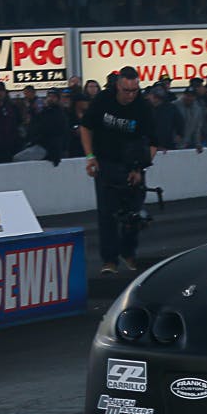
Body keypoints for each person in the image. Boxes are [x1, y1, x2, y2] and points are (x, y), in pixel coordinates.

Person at [80, 66, 158, 275]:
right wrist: (90, 157)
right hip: (106, 162)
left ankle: (128, 252)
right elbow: (86, 126)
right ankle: (109, 260)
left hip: (133, 164)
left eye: (134, 90)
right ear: (117, 86)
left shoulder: (143, 107)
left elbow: (154, 142)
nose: (130, 95)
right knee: (107, 214)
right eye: (126, 90)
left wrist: (140, 168)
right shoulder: (103, 99)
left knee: (133, 215)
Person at [14, 88, 69, 165]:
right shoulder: (43, 112)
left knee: (18, 158)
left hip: (47, 148)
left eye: (53, 97)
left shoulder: (60, 115)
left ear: (58, 99)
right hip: (40, 145)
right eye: (49, 96)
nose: (50, 99)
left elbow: (52, 133)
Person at [174, 86, 205, 151]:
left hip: (188, 145)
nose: (189, 98)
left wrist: (197, 143)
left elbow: (197, 128)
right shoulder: (174, 106)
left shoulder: (198, 109)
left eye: (192, 96)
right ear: (184, 95)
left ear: (195, 97)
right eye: (187, 95)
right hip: (172, 145)